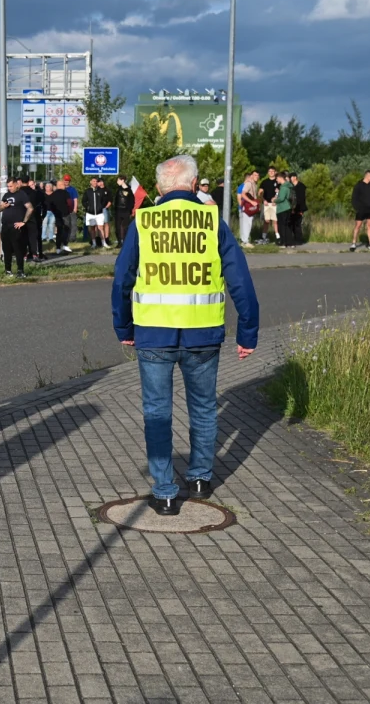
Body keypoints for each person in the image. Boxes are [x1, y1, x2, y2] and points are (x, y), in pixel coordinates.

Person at [111, 154, 259, 515]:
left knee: (157, 412)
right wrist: (248, 332)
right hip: (203, 334)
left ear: (160, 187)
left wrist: (124, 327)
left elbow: (122, 279)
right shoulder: (211, 221)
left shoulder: (144, 222)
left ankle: (163, 492)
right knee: (204, 408)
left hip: (153, 335)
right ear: (194, 185)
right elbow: (239, 278)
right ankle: (199, 479)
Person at [0, 177, 34, 277]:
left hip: (16, 226)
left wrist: (24, 222)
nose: (9, 188)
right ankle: (7, 270)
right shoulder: (6, 195)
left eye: (11, 186)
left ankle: (20, 270)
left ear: (16, 184)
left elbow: (30, 208)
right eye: (8, 186)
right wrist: (3, 207)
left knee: (17, 249)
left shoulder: (21, 194)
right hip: (5, 225)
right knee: (6, 249)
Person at [350, 170, 370, 251]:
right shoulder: (358, 185)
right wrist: (357, 208)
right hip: (361, 209)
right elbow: (354, 198)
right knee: (357, 226)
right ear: (367, 176)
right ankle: (353, 243)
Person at [47, 179, 72, 254]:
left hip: (57, 214)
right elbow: (69, 202)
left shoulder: (53, 194)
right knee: (67, 229)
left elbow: (49, 205)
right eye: (63, 184)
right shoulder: (65, 193)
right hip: (65, 214)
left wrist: (54, 212)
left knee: (59, 231)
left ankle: (58, 248)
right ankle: (65, 244)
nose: (65, 185)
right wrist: (70, 210)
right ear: (60, 185)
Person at [26, 177, 47, 261]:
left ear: (34, 184)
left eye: (32, 184)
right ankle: (31, 252)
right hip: (30, 217)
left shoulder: (39, 193)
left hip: (38, 216)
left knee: (38, 235)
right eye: (29, 185)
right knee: (29, 235)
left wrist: (43, 216)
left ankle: (40, 253)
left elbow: (44, 205)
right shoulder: (28, 194)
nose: (31, 186)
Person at [85, 177, 110, 247]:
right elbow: (84, 201)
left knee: (100, 227)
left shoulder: (100, 191)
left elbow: (104, 200)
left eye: (96, 181)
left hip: (99, 213)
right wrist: (88, 207)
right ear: (90, 182)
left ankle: (104, 242)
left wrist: (100, 206)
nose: (95, 183)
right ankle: (94, 243)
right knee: (92, 228)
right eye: (93, 181)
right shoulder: (88, 191)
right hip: (90, 213)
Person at [237, 171, 259, 247]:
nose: (257, 176)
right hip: (247, 206)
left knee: (247, 223)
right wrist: (251, 202)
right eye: (255, 175)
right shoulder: (249, 184)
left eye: (258, 175)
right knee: (247, 223)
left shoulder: (253, 184)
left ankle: (244, 240)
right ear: (251, 176)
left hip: (248, 206)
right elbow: (243, 194)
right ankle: (245, 241)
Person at [274, 170, 295, 246]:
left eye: (277, 178)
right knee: (287, 226)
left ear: (280, 178)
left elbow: (282, 198)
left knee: (282, 226)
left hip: (282, 209)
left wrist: (274, 200)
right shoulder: (288, 186)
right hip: (288, 207)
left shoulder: (283, 187)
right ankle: (290, 242)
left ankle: (283, 242)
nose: (276, 180)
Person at [112, 177, 134, 246]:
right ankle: (119, 242)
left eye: (118, 180)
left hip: (126, 211)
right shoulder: (118, 190)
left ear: (122, 180)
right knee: (117, 227)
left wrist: (129, 209)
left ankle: (125, 241)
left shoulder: (129, 190)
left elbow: (132, 201)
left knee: (125, 227)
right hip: (118, 210)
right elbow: (116, 200)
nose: (117, 181)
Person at [260, 169, 279, 244]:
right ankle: (264, 237)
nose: (271, 173)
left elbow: (280, 192)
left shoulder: (278, 182)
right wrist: (263, 200)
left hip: (275, 204)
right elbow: (260, 192)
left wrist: (276, 199)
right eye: (269, 171)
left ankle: (277, 237)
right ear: (268, 173)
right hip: (266, 204)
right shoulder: (264, 182)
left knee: (275, 221)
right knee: (266, 221)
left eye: (273, 171)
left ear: (275, 172)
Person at [289, 171, 307, 245]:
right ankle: (293, 238)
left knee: (297, 224)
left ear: (295, 177)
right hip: (292, 208)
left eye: (291, 177)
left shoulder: (301, 186)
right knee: (291, 224)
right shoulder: (291, 186)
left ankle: (299, 240)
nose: (290, 179)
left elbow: (302, 199)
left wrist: (301, 210)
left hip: (299, 208)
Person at [64, 174, 79, 252]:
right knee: (66, 224)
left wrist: (75, 208)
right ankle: (66, 238)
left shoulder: (72, 189)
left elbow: (75, 199)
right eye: (65, 181)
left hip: (72, 209)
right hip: (64, 210)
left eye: (67, 181)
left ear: (69, 181)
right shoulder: (62, 189)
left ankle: (72, 238)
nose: (66, 182)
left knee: (73, 224)